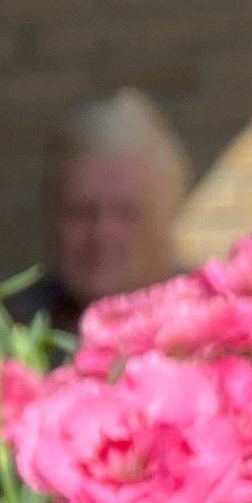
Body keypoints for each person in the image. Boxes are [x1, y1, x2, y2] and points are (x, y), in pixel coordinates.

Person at [19, 88, 193, 326]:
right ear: (50, 219)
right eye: (80, 212)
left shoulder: (212, 324)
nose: (102, 233)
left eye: (125, 213)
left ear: (166, 220)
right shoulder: (8, 330)